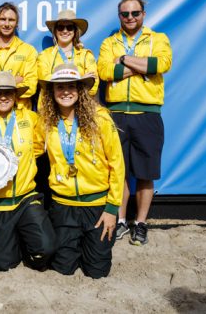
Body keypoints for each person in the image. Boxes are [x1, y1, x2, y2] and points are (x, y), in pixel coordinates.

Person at [97, 0, 172, 246]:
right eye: (125, 14)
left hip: (147, 114)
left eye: (135, 13)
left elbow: (160, 65)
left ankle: (140, 223)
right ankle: (120, 222)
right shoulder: (109, 42)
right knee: (119, 172)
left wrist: (125, 60)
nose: (130, 18)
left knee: (145, 174)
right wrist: (141, 66)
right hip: (116, 113)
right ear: (119, 16)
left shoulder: (158, 39)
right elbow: (106, 72)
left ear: (143, 14)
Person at [39, 63, 124, 278]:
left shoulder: (100, 118)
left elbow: (117, 164)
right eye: (60, 87)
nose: (66, 92)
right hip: (63, 206)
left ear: (80, 90)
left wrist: (112, 209)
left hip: (97, 207)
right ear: (52, 92)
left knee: (97, 271)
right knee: (63, 268)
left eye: (71, 86)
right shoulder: (45, 122)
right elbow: (27, 151)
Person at [0, 71, 55, 271]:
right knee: (4, 263)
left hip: (25, 198)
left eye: (8, 92)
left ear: (16, 95)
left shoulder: (31, 118)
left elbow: (38, 147)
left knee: (46, 249)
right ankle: (12, 237)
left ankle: (24, 232)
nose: (3, 97)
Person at [0, 2, 38, 113]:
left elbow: (30, 87)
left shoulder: (28, 50)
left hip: (20, 112)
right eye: (3, 19)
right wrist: (15, 80)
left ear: (17, 23)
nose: (7, 24)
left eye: (11, 20)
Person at [37, 9, 98, 97]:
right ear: (55, 31)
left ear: (75, 31)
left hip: (80, 108)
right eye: (60, 27)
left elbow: (93, 88)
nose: (65, 31)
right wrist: (80, 80)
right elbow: (45, 83)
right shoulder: (44, 56)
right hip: (50, 107)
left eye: (69, 27)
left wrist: (57, 80)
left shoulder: (86, 55)